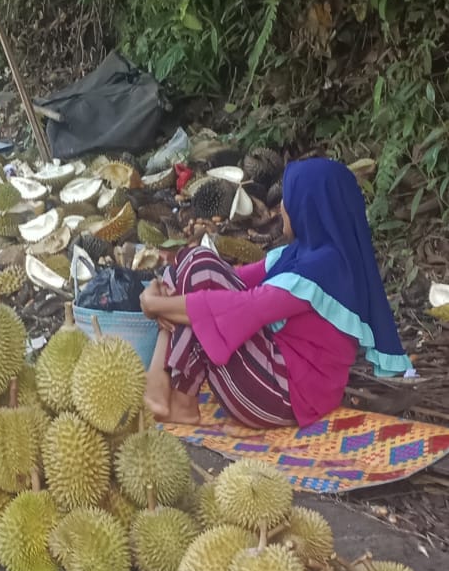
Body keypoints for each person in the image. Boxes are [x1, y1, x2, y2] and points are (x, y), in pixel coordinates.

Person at [140, 158, 411, 429]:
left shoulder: (325, 269)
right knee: (196, 263)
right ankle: (172, 396)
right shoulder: (301, 253)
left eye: (288, 198)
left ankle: (168, 393)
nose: (282, 206)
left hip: (285, 396)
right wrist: (163, 291)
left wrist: (155, 305)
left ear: (309, 206)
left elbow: (246, 307)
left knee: (201, 273)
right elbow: (232, 277)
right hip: (274, 375)